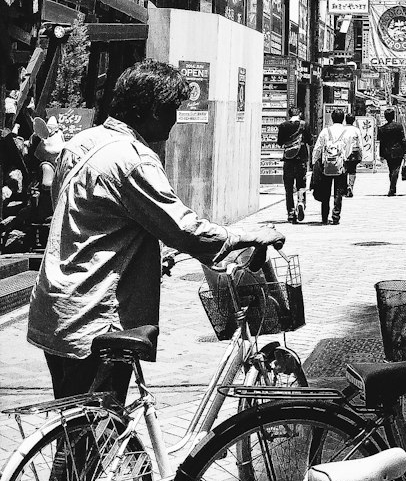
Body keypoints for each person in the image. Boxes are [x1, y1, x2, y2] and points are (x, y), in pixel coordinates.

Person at [28, 60, 283, 404]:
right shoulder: (133, 160)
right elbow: (186, 231)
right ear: (153, 111)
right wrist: (245, 235)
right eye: (171, 110)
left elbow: (86, 216)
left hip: (56, 303)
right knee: (90, 432)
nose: (175, 120)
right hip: (95, 314)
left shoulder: (82, 143)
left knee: (83, 427)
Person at [312, 109, 350, 224]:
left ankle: (324, 217)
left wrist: (315, 162)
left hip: (326, 165)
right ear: (343, 118)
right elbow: (348, 150)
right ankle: (336, 216)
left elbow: (318, 148)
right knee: (339, 191)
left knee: (325, 191)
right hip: (340, 164)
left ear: (332, 118)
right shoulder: (346, 131)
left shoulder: (325, 131)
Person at [276, 106, 309, 223]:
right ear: (299, 113)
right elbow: (310, 140)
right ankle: (300, 202)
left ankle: (291, 213)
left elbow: (279, 142)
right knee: (301, 183)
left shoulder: (283, 125)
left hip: (288, 160)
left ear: (289, 114)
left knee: (288, 188)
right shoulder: (304, 125)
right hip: (301, 159)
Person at [377, 107, 406, 195]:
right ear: (394, 116)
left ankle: (392, 187)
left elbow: (381, 143)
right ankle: (392, 187)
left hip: (387, 152)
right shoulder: (398, 126)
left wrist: (381, 154)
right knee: (396, 169)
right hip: (398, 151)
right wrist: (405, 150)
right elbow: (402, 139)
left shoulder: (382, 129)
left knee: (391, 169)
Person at [342, 113, 363, 197]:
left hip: (343, 152)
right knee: (352, 170)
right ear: (353, 121)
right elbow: (360, 142)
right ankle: (351, 186)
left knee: (344, 170)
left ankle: (344, 187)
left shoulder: (343, 129)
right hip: (354, 151)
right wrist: (361, 152)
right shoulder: (356, 129)